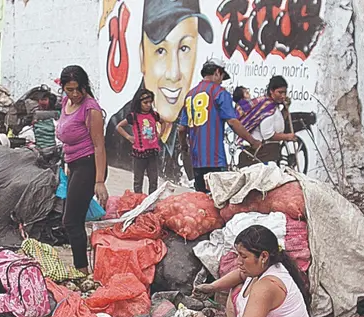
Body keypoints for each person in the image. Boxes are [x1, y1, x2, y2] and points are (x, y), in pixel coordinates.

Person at [105, 0, 213, 181]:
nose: (174, 73)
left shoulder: (193, 119)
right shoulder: (119, 129)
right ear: (142, 56)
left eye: (184, 48)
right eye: (161, 51)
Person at [192, 226, 314, 317]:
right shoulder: (262, 268)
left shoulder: (268, 285)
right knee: (236, 289)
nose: (238, 261)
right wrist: (212, 287)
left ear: (263, 256)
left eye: (243, 256)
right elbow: (239, 275)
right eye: (238, 255)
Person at [56, 65, 108, 275]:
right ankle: (83, 267)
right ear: (63, 89)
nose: (75, 94)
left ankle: (82, 271)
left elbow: (99, 146)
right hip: (75, 165)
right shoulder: (65, 103)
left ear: (85, 86)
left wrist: (99, 181)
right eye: (70, 89)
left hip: (89, 165)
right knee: (71, 220)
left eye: (78, 89)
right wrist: (69, 167)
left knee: (71, 221)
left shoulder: (91, 109)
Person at [178, 61, 260, 193]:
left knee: (201, 199)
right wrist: (253, 141)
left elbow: (182, 129)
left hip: (196, 159)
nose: (221, 82)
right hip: (215, 158)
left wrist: (184, 146)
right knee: (219, 199)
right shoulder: (220, 93)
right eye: (222, 77)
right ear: (217, 72)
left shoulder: (190, 95)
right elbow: (233, 122)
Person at [238, 75, 296, 167]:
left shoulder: (273, 106)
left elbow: (276, 123)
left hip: (269, 154)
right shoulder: (267, 107)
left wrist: (285, 109)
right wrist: (288, 137)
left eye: (285, 93)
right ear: (271, 91)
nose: (283, 96)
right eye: (280, 92)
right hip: (261, 154)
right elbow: (268, 135)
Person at [115, 88, 162, 194]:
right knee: (138, 180)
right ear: (138, 103)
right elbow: (119, 126)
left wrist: (159, 134)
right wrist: (129, 137)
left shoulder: (154, 115)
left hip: (152, 152)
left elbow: (164, 122)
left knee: (153, 179)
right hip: (139, 153)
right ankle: (138, 201)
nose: (148, 105)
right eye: (145, 102)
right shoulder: (134, 116)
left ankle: (152, 200)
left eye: (150, 102)